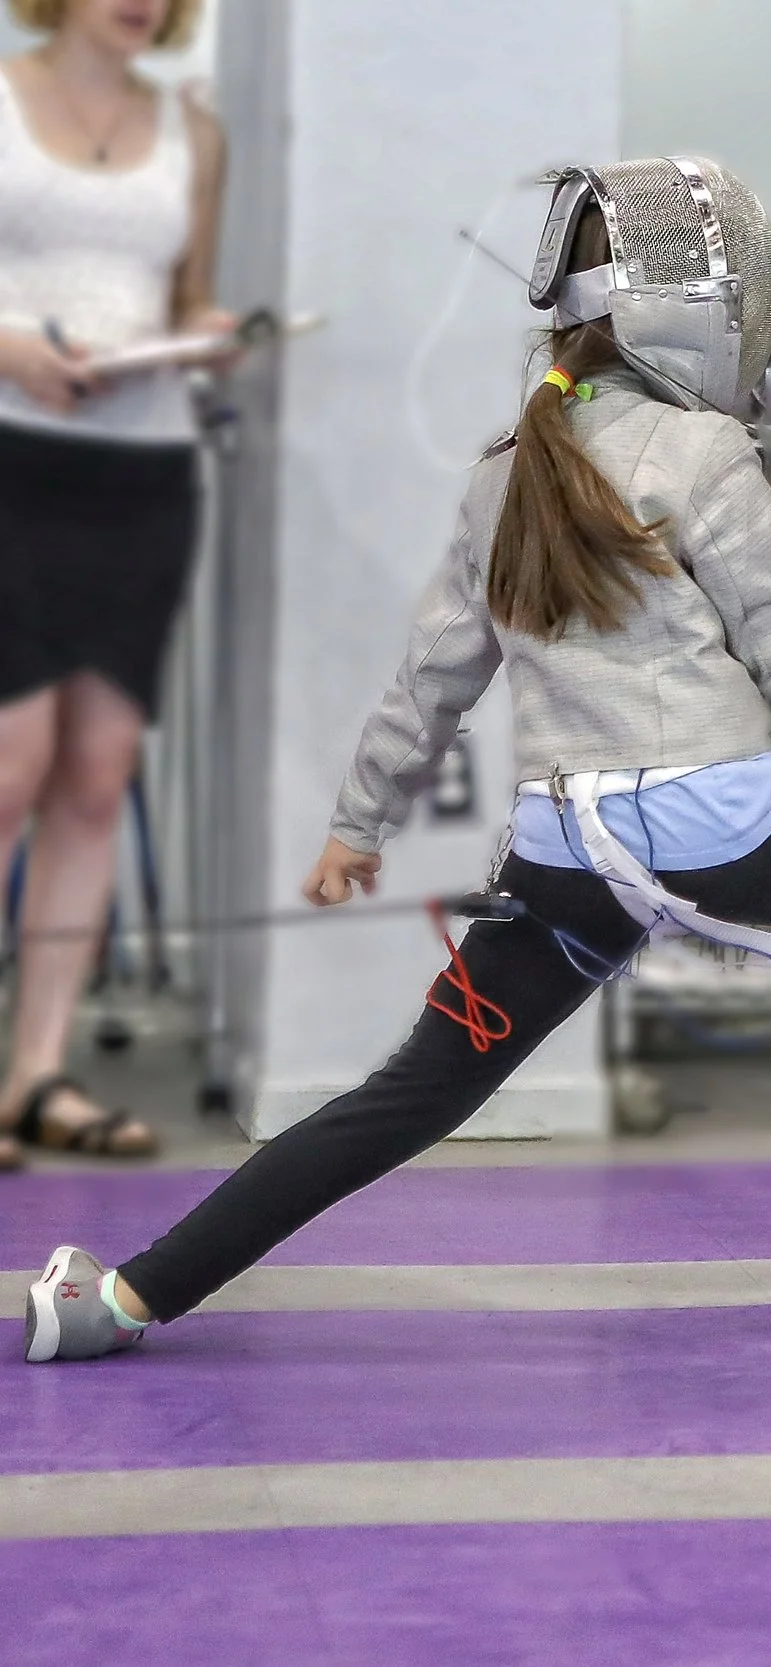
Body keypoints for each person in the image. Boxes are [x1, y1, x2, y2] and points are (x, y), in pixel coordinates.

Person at [25, 157, 771, 1362]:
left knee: (414, 1090)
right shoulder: (702, 451)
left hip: (567, 855)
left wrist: (357, 825)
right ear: (702, 308)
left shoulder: (502, 470)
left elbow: (431, 678)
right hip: (722, 822)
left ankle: (121, 1301)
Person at [0, 0, 230, 1172]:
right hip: (10, 459)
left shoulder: (195, 130)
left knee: (96, 775)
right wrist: (9, 344)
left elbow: (187, 296)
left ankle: (35, 1071)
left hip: (142, 471)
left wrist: (207, 332)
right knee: (8, 765)